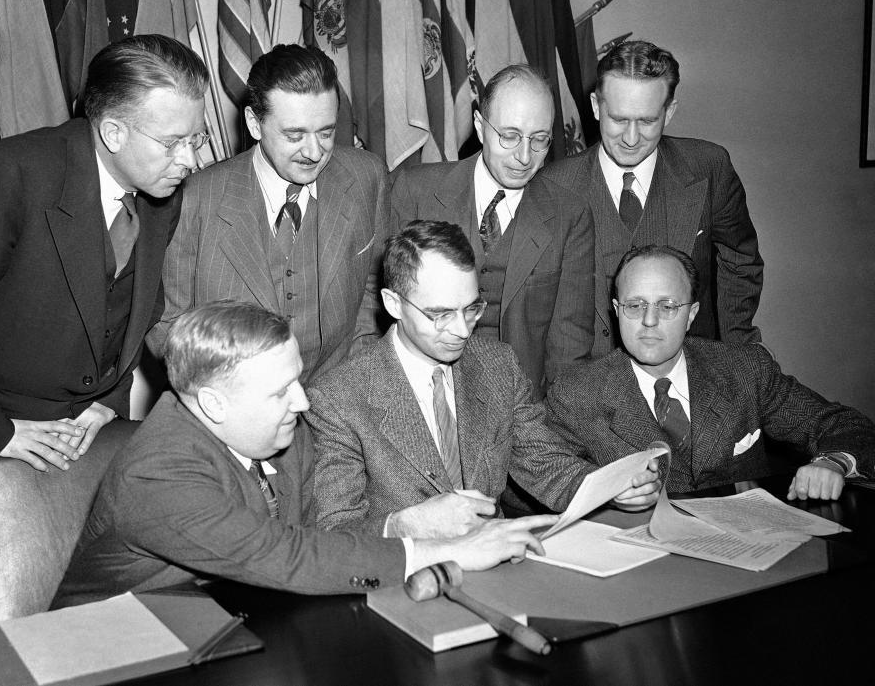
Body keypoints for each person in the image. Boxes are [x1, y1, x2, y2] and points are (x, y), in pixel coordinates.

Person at [52, 302, 558, 607]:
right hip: (117, 657)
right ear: (212, 402)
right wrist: (452, 551)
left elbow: (318, 535)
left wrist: (404, 524)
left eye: (297, 379)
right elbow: (285, 556)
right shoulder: (158, 474)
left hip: (227, 624)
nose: (303, 400)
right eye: (281, 391)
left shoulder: (274, 431)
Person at [0, 34, 208, 535]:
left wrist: (108, 399)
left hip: (81, 435)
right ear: (113, 132)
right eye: (173, 143)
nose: (191, 160)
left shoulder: (160, 189)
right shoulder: (7, 176)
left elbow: (134, 307)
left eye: (196, 138)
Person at [305, 221, 659, 538]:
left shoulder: (497, 365)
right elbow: (335, 529)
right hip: (406, 578)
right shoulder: (337, 399)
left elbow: (544, 461)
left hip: (498, 566)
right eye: (440, 315)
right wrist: (402, 525)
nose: (461, 331)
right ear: (394, 304)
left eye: (471, 308)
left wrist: (609, 487)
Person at [547, 245, 874, 498]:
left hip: (749, 551)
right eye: (635, 306)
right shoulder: (576, 395)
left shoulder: (744, 369)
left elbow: (839, 423)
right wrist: (606, 494)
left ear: (691, 314)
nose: (649, 320)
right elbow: (548, 478)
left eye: (667, 306)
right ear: (617, 312)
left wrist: (833, 462)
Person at [148, 44, 388, 385]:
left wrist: (357, 375)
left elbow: (372, 286)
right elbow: (167, 322)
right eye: (294, 135)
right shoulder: (192, 199)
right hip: (233, 408)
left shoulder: (367, 176)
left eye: (326, 132)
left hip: (338, 399)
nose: (314, 151)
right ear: (254, 124)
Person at [541, 40, 762, 358]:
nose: (630, 139)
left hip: (694, 379)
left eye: (646, 122)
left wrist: (735, 356)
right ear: (594, 106)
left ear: (669, 112)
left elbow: (740, 262)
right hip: (588, 389)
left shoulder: (709, 168)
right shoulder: (552, 187)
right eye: (618, 119)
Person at [391, 65, 594, 398]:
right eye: (509, 136)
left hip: (521, 409)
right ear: (479, 126)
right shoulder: (415, 191)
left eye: (540, 140)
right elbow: (378, 312)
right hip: (420, 400)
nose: (524, 156)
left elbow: (569, 351)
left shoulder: (570, 215)